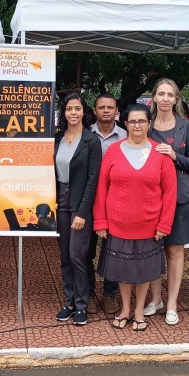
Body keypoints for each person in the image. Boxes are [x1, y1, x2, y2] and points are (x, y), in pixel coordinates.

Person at [94, 104, 177, 332]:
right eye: (133, 121)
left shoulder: (160, 153)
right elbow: (102, 187)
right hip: (118, 224)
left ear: (149, 124)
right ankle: (124, 310)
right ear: (125, 123)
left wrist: (164, 225)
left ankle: (139, 310)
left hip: (149, 225)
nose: (137, 125)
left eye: (142, 121)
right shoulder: (113, 151)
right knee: (122, 271)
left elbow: (170, 192)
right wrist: (100, 221)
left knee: (143, 272)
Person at [145, 78, 189, 325]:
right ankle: (155, 300)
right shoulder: (145, 126)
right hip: (150, 198)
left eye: (170, 95)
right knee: (153, 250)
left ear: (176, 99)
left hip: (180, 198)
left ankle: (172, 304)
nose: (166, 98)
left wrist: (175, 155)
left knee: (175, 251)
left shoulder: (186, 127)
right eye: (161, 94)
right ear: (154, 98)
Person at [53, 94, 102, 325]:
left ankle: (82, 304)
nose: (73, 112)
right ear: (64, 113)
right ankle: (69, 302)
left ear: (84, 112)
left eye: (77, 108)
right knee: (64, 256)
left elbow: (93, 180)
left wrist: (82, 212)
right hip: (59, 203)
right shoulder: (57, 139)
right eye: (69, 109)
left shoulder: (91, 141)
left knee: (77, 255)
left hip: (80, 204)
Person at [88, 94, 126, 315]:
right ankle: (89, 292)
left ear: (116, 110)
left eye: (110, 107)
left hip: (117, 201)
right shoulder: (85, 135)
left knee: (113, 249)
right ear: (94, 110)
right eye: (101, 107)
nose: (105, 111)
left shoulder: (125, 136)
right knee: (86, 250)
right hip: (87, 201)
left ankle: (110, 292)